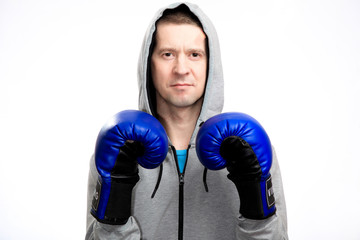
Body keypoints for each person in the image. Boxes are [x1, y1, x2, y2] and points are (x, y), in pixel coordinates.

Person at [85, 2, 288, 240]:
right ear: (149, 64)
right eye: (168, 54)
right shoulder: (118, 150)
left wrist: (257, 212)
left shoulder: (249, 150)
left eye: (194, 55)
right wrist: (114, 219)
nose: (181, 69)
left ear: (210, 64)